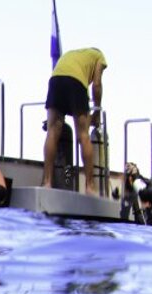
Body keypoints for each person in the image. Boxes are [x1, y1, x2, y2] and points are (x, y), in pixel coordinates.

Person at [42, 47, 108, 196]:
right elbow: (97, 84)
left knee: (52, 132)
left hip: (56, 79)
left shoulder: (73, 54)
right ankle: (90, 186)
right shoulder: (99, 56)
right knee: (83, 136)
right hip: (76, 82)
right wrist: (96, 111)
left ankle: (47, 182)